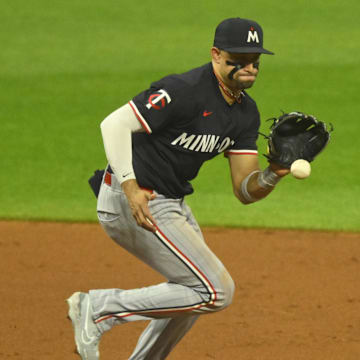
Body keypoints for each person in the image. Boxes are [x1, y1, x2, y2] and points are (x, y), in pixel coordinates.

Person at [67, 17, 289, 360]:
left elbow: (245, 190)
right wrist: (130, 187)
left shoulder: (246, 112)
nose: (249, 67)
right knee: (215, 291)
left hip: (170, 202)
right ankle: (98, 308)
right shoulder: (184, 90)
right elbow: (113, 124)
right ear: (216, 55)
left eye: (255, 59)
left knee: (194, 295)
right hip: (134, 199)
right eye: (239, 58)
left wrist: (275, 173)